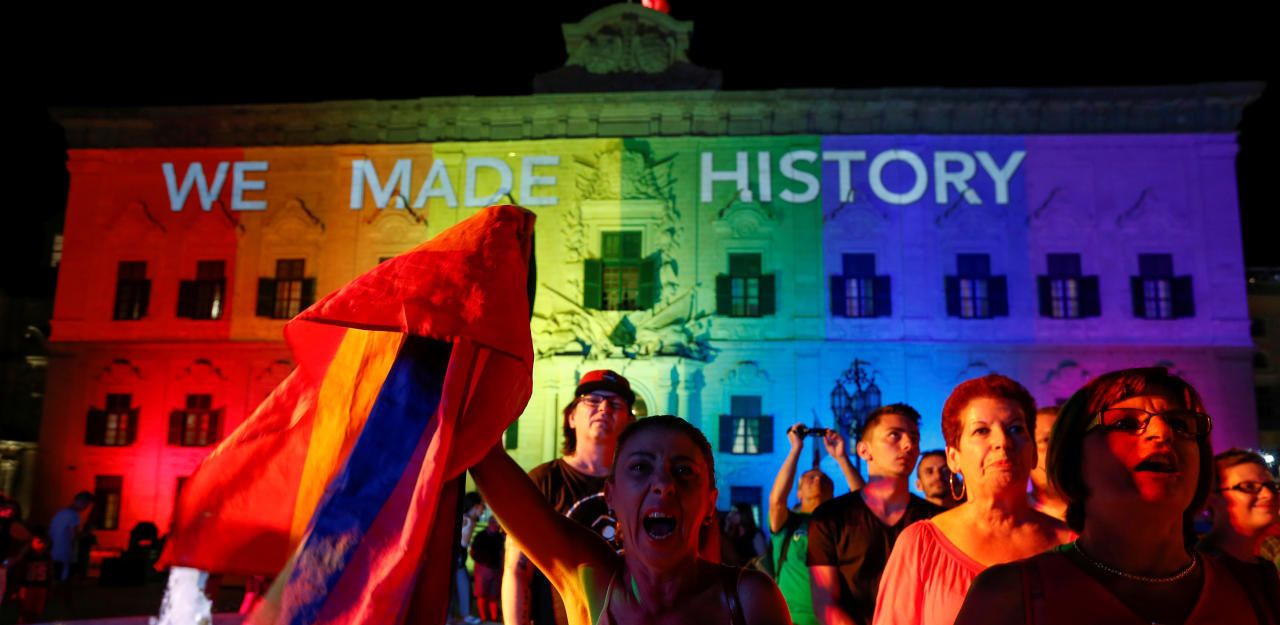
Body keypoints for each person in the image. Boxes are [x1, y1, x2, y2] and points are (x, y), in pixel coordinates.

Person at [956, 367, 1273, 625]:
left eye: (1179, 424)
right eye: (1125, 422)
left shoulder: (1256, 588)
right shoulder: (1010, 595)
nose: (1162, 434)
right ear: (1073, 457)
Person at [472, 415, 791, 625]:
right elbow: (485, 451)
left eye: (683, 471)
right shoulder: (590, 581)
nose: (663, 484)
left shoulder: (751, 599)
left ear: (710, 503)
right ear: (610, 495)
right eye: (640, 467)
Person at [874, 374, 1071, 625]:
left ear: (1032, 452)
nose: (1002, 442)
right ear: (954, 457)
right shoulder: (921, 546)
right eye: (982, 431)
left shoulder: (1073, 547)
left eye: (1016, 429)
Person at [503, 370, 635, 625]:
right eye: (593, 400)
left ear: (629, 423)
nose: (604, 407)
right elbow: (517, 570)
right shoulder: (543, 480)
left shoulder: (640, 483)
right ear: (572, 417)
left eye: (615, 403)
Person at [807, 403, 942, 625]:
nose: (908, 445)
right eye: (894, 436)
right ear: (863, 450)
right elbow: (825, 602)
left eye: (914, 438)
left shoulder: (937, 521)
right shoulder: (830, 517)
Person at [768, 423, 863, 625]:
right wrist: (795, 449)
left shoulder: (839, 523)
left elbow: (864, 501)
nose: (818, 479)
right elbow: (776, 501)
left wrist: (841, 457)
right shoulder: (789, 523)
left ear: (834, 491)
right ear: (798, 493)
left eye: (823, 478)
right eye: (810, 477)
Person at [1200, 449, 1280, 562]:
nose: (1269, 495)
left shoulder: (1265, 567)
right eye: (1249, 486)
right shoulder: (1199, 569)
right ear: (1211, 497)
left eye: (1271, 486)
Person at [1029, 405, 1068, 520]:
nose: (1058, 451)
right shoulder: (1012, 516)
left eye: (1066, 442)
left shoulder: (1103, 514)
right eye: (1046, 440)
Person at [48, 491, 93, 582]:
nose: (86, 508)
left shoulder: (61, 513)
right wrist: (86, 533)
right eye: (87, 505)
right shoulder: (74, 515)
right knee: (63, 583)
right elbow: (74, 535)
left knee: (55, 580)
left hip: (54, 552)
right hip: (64, 553)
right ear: (82, 502)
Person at [456, 491, 485, 625]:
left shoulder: (470, 520)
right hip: (457, 559)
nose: (483, 509)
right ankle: (463, 615)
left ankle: (464, 614)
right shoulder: (465, 520)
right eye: (481, 506)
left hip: (460, 558)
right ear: (475, 506)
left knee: (463, 583)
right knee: (463, 584)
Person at [471, 516, 505, 623]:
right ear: (490, 523)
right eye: (494, 522)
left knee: (493, 596)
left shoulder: (500, 537)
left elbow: (502, 553)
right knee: (481, 595)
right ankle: (483, 618)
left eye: (498, 523)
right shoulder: (481, 536)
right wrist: (482, 562)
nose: (496, 525)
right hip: (483, 569)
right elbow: (473, 552)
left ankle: (494, 618)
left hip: (496, 569)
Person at [15, 533, 51, 624]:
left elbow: (50, 572)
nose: (40, 544)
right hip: (28, 586)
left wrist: (48, 586)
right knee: (26, 611)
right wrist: (20, 587)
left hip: (41, 587)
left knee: (37, 611)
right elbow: (21, 572)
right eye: (37, 541)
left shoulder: (47, 556)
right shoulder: (27, 555)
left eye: (42, 542)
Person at [720, 503, 767, 569]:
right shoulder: (733, 533)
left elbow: (763, 558)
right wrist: (727, 524)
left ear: (743, 514)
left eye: (736, 512)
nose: (731, 514)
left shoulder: (754, 534)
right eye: (732, 511)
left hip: (752, 573)